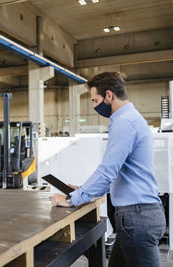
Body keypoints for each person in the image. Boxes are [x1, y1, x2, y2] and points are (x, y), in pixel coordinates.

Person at [51, 72, 165, 267]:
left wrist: (72, 199)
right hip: (135, 217)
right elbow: (119, 175)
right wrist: (83, 189)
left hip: (137, 217)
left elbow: (107, 171)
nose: (95, 106)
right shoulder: (130, 119)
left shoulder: (125, 122)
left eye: (95, 100)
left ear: (109, 95)